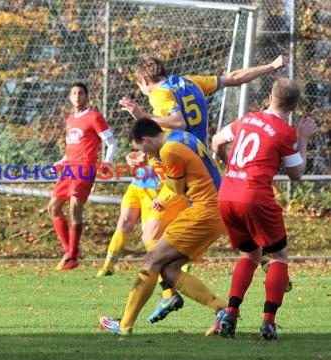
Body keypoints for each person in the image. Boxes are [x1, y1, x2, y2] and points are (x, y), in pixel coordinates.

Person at [97, 55, 289, 324]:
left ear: (145, 81)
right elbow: (233, 78)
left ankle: (147, 309)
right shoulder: (189, 82)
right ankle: (216, 298)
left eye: (140, 86)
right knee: (165, 257)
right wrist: (270, 66)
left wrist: (144, 117)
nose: (142, 92)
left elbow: (177, 122)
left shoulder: (159, 96)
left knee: (151, 240)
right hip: (198, 166)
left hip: (189, 181)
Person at [99, 119, 228, 336]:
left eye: (143, 148)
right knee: (169, 269)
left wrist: (159, 195)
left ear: (147, 139)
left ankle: (124, 326)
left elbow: (174, 188)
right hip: (215, 208)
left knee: (152, 260)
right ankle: (221, 309)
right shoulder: (178, 136)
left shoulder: (169, 150)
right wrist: (150, 161)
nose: (145, 154)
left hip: (204, 211)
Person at [211, 78, 317, 340]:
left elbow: (216, 141)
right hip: (254, 197)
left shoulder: (247, 119)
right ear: (293, 106)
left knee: (250, 256)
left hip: (227, 194)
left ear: (270, 97)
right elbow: (296, 173)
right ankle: (268, 322)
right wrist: (303, 138)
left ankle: (231, 315)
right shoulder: (285, 133)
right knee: (279, 257)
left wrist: (231, 167)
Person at [48, 82, 117, 270]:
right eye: (74, 93)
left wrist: (106, 163)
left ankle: (72, 254)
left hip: (84, 168)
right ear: (70, 97)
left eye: (80, 93)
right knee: (53, 207)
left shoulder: (94, 117)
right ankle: (70, 251)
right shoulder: (70, 119)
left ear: (87, 97)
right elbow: (70, 150)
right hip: (69, 169)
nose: (77, 96)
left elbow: (111, 143)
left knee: (74, 209)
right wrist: (60, 163)